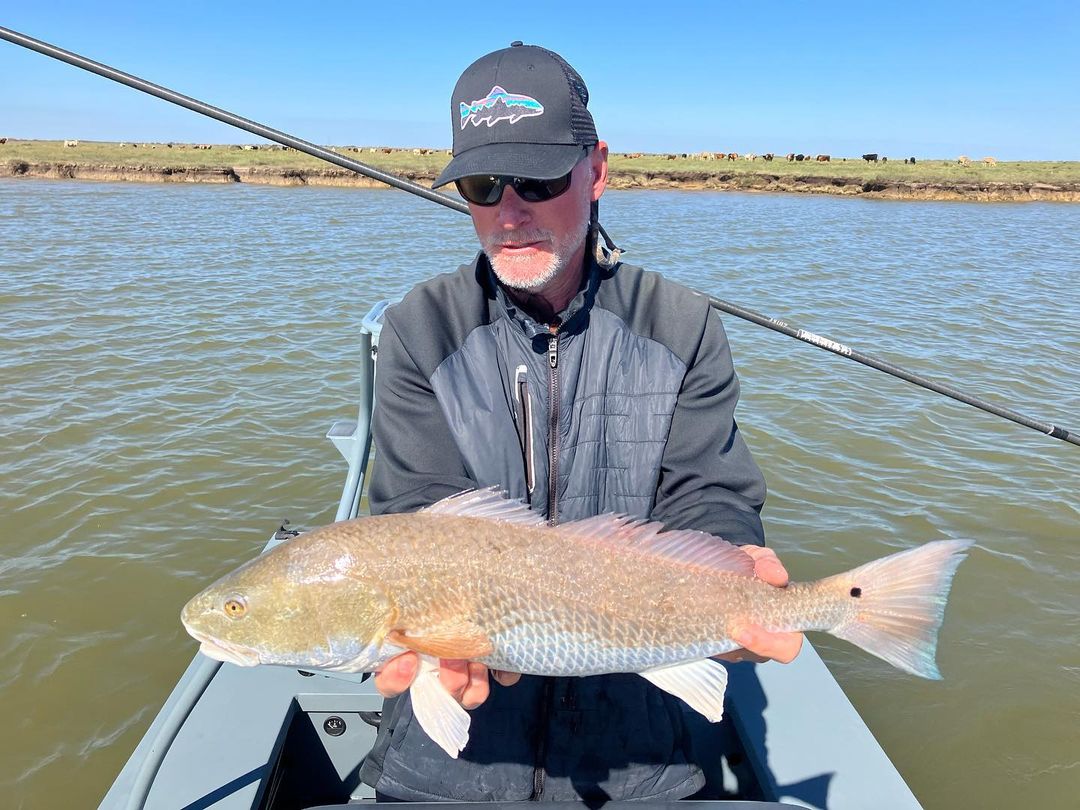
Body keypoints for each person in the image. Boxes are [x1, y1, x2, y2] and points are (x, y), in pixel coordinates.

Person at [358, 42, 802, 803]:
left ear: (596, 170)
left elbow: (707, 492)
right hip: (451, 762)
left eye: (538, 180)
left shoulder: (682, 325)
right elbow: (417, 512)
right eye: (482, 185)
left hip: (640, 750)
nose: (509, 212)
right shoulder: (418, 329)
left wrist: (732, 557)